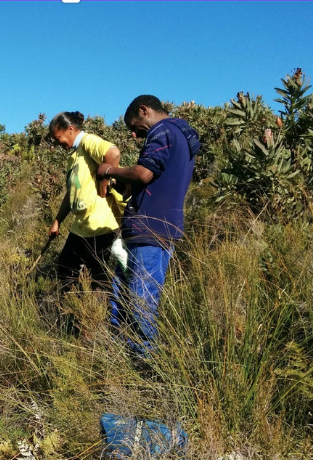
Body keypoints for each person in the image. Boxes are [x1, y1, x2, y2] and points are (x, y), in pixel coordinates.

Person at [96, 95, 201, 357]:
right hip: (159, 227)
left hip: (149, 230)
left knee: (141, 302)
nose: (133, 135)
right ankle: (122, 355)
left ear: (144, 110)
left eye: (134, 126)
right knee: (125, 295)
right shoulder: (181, 134)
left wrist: (109, 171)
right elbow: (153, 180)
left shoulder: (162, 130)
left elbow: (144, 173)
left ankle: (147, 366)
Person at [48, 111, 122, 291]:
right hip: (81, 225)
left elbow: (113, 153)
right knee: (66, 266)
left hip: (100, 225)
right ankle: (73, 309)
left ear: (70, 129)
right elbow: (71, 193)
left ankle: (100, 313)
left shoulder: (87, 142)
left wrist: (105, 179)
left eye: (59, 138)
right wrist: (57, 221)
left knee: (98, 276)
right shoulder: (74, 156)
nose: (59, 143)